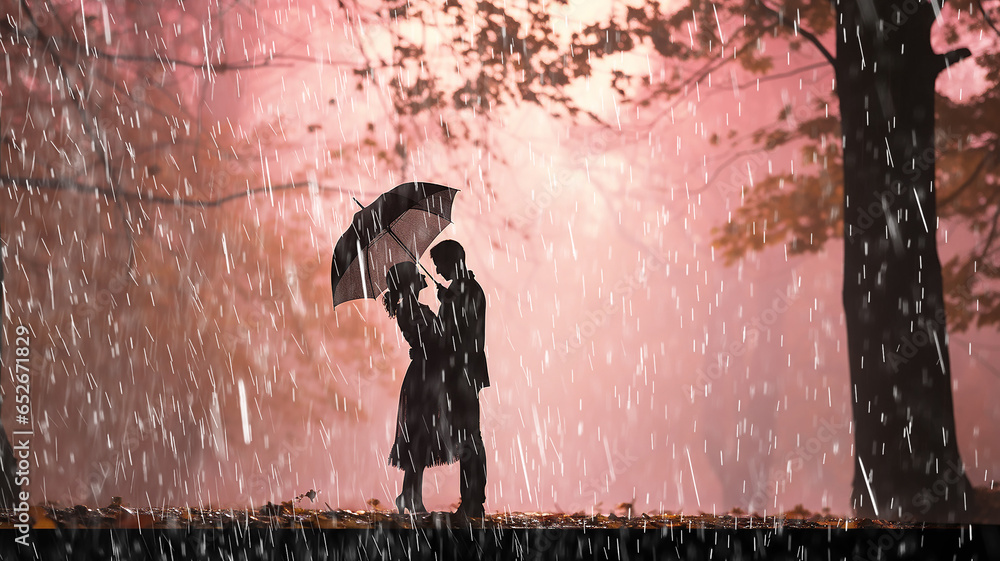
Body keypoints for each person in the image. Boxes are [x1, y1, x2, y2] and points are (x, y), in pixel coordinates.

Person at [383, 262, 458, 514]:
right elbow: (432, 340)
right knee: (419, 438)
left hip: (429, 375)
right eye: (415, 274)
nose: (421, 275)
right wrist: (447, 309)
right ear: (408, 282)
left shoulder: (416, 308)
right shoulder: (407, 309)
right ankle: (409, 496)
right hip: (423, 379)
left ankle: (409, 495)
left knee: (422, 439)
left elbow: (437, 337)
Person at [430, 240, 490, 519]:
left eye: (439, 264)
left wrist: (446, 304)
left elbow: (453, 332)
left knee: (467, 438)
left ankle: (472, 502)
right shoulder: (471, 288)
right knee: (470, 437)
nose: (437, 270)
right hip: (470, 370)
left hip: (460, 372)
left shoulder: (461, 290)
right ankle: (473, 499)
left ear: (451, 260)